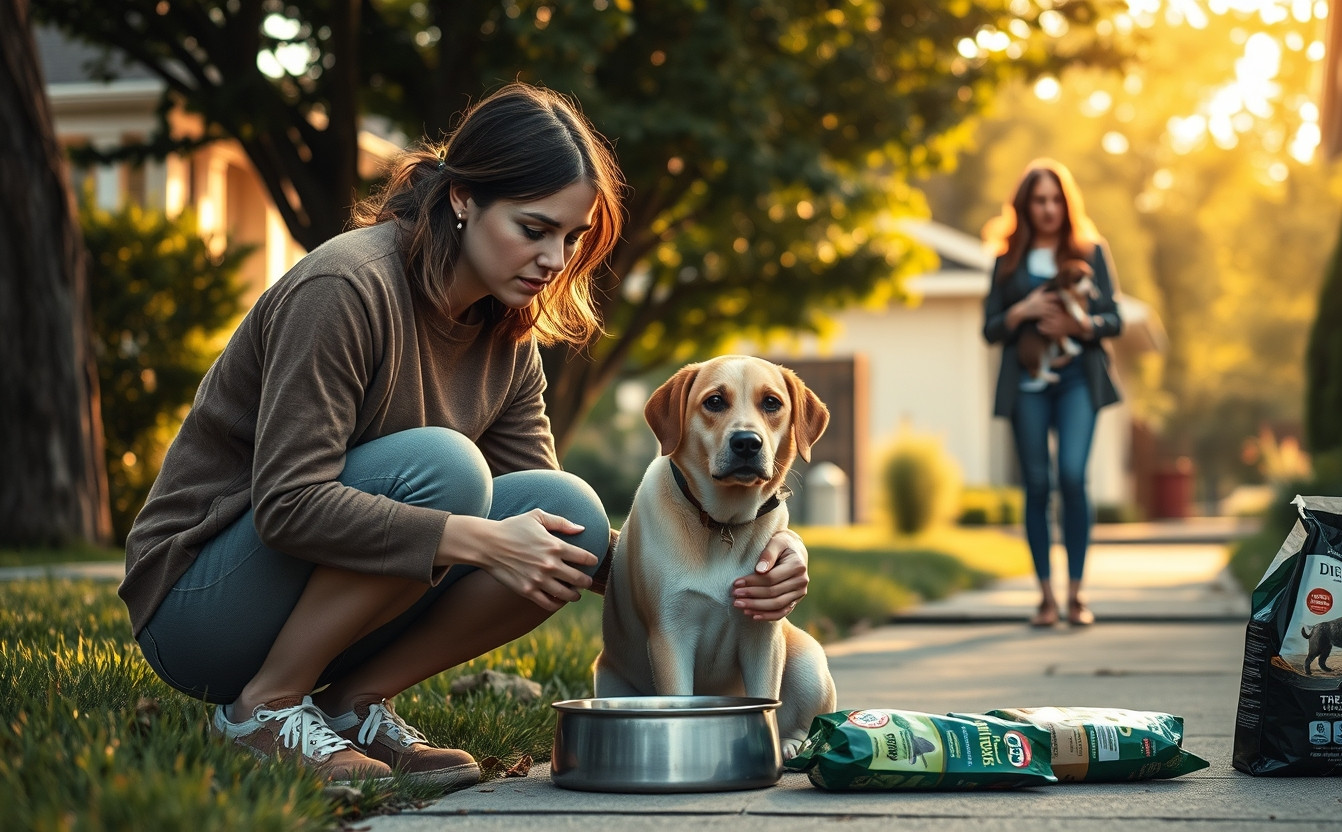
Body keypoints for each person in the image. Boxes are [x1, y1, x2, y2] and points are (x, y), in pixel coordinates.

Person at [118, 83, 811, 790]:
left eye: (571, 238)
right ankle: (263, 709)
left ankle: (352, 706)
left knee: (566, 513)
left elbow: (551, 530)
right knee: (446, 468)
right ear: (462, 199)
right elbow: (288, 505)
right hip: (200, 607)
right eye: (534, 229)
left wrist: (756, 556)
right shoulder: (344, 288)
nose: (555, 260)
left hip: (312, 603)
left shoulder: (507, 334)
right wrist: (476, 539)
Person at [982, 159, 1122, 629]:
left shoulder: (1091, 252)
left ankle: (1077, 595)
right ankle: (1045, 598)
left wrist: (1080, 325)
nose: (1047, 208)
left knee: (1073, 477)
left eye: (1055, 200)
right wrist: (1021, 310)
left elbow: (1114, 319)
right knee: (1037, 485)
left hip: (1079, 379)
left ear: (1067, 204)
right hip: (1027, 385)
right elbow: (990, 328)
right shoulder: (1007, 261)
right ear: (1024, 206)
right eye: (1039, 200)